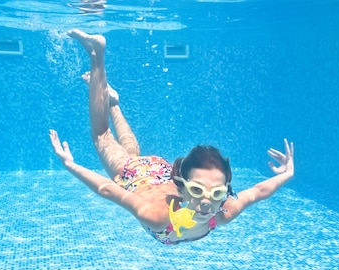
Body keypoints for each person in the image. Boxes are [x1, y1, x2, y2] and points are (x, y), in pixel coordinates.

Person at [50, 29, 294, 245]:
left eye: (217, 193)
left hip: (157, 170)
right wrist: (71, 165)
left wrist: (287, 174)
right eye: (198, 191)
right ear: (182, 186)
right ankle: (96, 55)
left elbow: (257, 193)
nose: (207, 202)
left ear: (225, 193)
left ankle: (113, 103)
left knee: (132, 151)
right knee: (102, 135)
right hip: (137, 176)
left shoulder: (222, 212)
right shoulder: (158, 217)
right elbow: (108, 190)